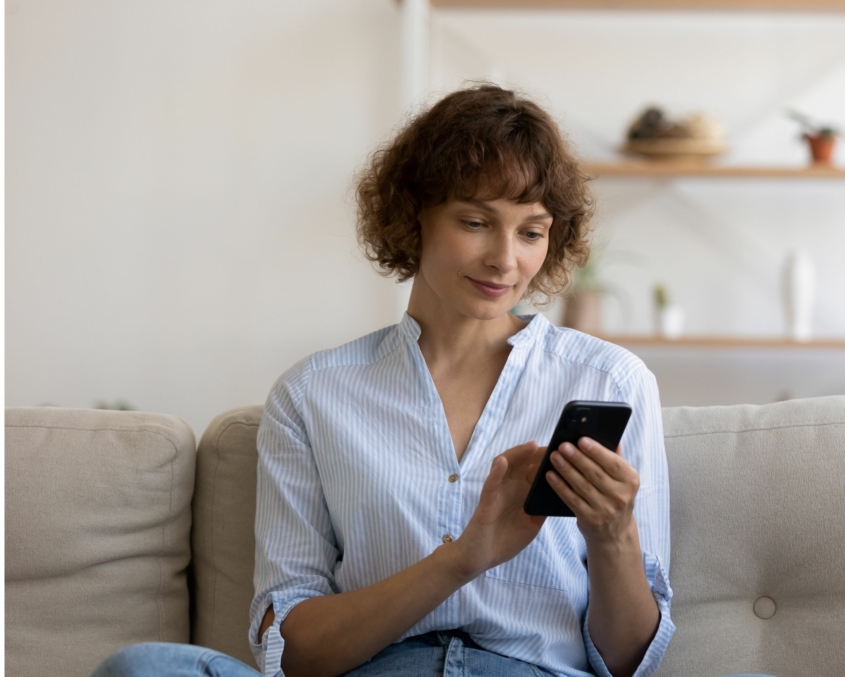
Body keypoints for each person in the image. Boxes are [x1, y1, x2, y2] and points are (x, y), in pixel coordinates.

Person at [93, 84, 776, 677]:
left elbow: (627, 662)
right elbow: (297, 655)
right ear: (413, 214)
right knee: (142, 666)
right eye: (475, 222)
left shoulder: (607, 379)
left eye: (532, 231)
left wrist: (614, 533)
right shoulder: (315, 394)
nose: (505, 259)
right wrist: (461, 559)